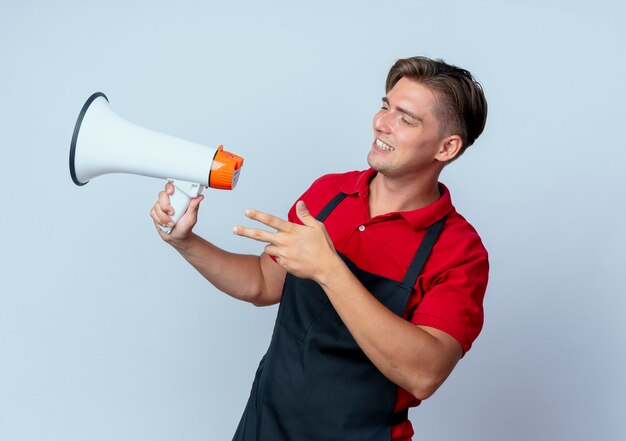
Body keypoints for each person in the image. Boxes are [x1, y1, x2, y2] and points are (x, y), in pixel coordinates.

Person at [150, 56, 489, 441]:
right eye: (384, 106)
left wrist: (329, 269)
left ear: (446, 148)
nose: (381, 123)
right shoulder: (329, 194)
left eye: (405, 118)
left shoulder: (459, 251)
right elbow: (264, 283)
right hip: (265, 428)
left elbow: (424, 374)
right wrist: (185, 242)